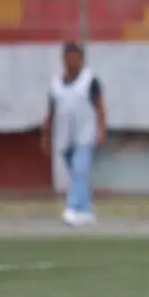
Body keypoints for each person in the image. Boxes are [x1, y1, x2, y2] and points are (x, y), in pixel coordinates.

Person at [41, 42, 107, 227]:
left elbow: (100, 107)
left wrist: (101, 129)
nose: (72, 61)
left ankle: (72, 208)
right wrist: (46, 135)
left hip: (85, 135)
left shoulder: (90, 81)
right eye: (69, 57)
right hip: (64, 137)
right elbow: (51, 112)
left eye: (76, 57)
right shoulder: (56, 84)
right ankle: (86, 210)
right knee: (77, 175)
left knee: (80, 170)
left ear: (82, 59)